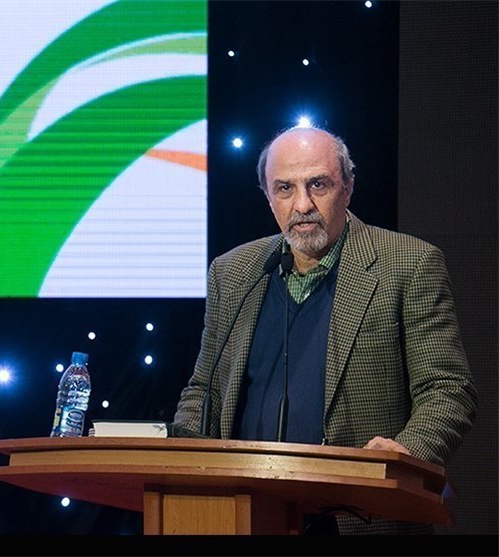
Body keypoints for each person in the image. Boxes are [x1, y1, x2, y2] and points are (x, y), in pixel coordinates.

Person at [172, 126, 478, 535]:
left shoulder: (407, 265)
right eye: (285, 188)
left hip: (361, 516)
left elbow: (448, 389)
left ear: (347, 188)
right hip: (243, 513)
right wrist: (175, 456)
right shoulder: (233, 273)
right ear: (268, 196)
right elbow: (204, 391)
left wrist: (406, 454)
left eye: (318, 184)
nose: (302, 205)